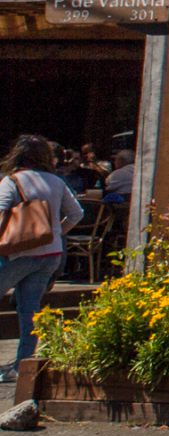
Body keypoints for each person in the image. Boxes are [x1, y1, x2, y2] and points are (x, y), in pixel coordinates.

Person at [0, 136, 83, 369]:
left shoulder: (12, 181)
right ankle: (22, 365)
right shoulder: (56, 181)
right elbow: (76, 214)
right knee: (30, 310)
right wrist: (55, 233)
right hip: (50, 254)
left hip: (16, 253)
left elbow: (1, 210)